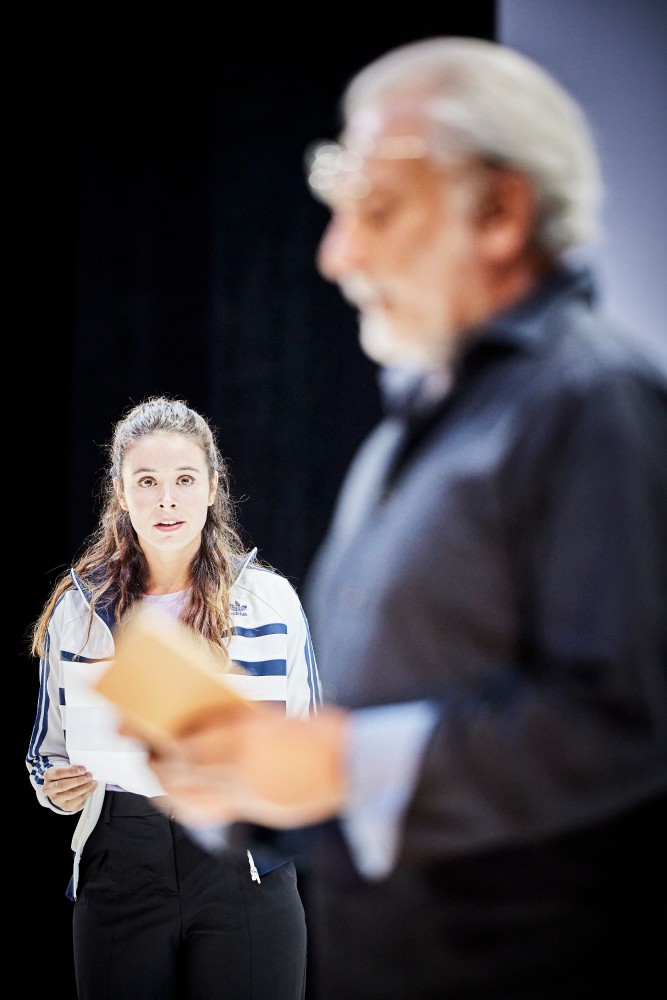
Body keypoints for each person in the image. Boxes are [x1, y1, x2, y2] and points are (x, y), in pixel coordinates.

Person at [138, 38, 666, 1000]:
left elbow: (625, 727)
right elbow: (394, 783)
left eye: (376, 209)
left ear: (499, 213)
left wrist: (341, 760)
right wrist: (251, 784)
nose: (336, 254)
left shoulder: (594, 403)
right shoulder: (405, 435)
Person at [26, 395, 322, 1000]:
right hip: (120, 862)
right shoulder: (78, 609)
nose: (167, 500)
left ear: (212, 488)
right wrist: (55, 789)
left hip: (243, 863)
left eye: (185, 479)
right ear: (121, 492)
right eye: (147, 481)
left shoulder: (271, 601)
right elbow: (45, 752)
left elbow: (311, 751)